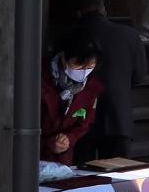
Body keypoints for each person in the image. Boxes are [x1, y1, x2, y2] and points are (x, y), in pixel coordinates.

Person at [77, 0, 145, 162]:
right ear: (104, 11)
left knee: (82, 180)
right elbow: (139, 77)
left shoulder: (72, 35)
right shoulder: (130, 35)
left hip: (79, 119)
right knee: (119, 179)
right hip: (118, 116)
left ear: (78, 13)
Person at [40, 28, 103, 166]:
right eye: (78, 65)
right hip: (33, 155)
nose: (83, 72)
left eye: (90, 66)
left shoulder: (91, 87)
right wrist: (48, 143)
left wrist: (69, 138)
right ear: (63, 58)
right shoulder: (41, 79)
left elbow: (84, 121)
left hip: (63, 158)